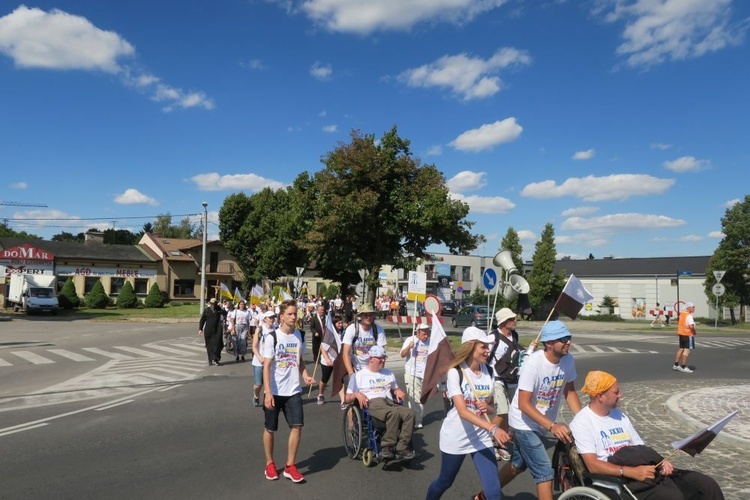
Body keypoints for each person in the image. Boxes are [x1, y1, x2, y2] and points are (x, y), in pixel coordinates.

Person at [570, 370, 724, 499]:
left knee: (706, 484)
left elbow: (639, 447)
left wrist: (662, 462)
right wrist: (631, 472)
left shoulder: (618, 415)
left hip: (645, 468)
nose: (621, 395)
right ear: (600, 396)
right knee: (675, 496)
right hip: (620, 479)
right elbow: (593, 465)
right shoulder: (583, 422)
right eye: (616, 392)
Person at [498, 320, 581, 500]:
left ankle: (487, 493)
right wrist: (553, 426)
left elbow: (570, 391)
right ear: (549, 343)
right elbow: (523, 404)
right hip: (524, 422)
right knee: (544, 471)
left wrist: (584, 420)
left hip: (541, 423)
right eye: (563, 339)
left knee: (518, 465)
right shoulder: (534, 364)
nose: (569, 342)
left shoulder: (568, 360)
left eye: (569, 337)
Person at [426, 327, 511, 500]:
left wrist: (489, 409)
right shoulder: (455, 373)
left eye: (489, 347)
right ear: (471, 347)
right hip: (456, 436)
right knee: (445, 481)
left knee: (494, 491)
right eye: (483, 347)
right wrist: (493, 428)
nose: (488, 351)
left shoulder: (489, 371)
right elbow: (463, 411)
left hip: (480, 436)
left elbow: (491, 405)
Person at [262, 300, 315, 483]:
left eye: (295, 314)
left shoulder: (300, 335)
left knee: (297, 426)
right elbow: (267, 366)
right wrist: (267, 392)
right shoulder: (272, 337)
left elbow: (299, 360)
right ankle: (270, 464)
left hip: (293, 390)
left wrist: (305, 375)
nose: (294, 317)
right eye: (291, 314)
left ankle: (290, 465)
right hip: (274, 391)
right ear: (281, 316)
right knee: (270, 429)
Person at [346, 345, 416, 460]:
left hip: (389, 401)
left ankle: (402, 447)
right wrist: (356, 394)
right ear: (371, 359)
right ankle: (387, 447)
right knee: (393, 413)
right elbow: (347, 398)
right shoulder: (358, 376)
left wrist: (398, 391)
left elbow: (395, 388)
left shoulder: (388, 373)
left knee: (410, 413)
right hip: (372, 402)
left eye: (384, 358)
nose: (383, 360)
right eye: (380, 358)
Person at [488, 308, 524, 461]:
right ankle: (490, 440)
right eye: (512, 319)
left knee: (510, 413)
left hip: (512, 379)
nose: (515, 321)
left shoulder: (514, 335)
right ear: (503, 322)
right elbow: (484, 358)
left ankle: (500, 443)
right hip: (497, 380)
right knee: (502, 412)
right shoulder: (492, 337)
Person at [341, 303, 387, 376]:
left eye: (371, 314)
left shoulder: (379, 330)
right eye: (366, 314)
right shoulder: (352, 329)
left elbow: (382, 354)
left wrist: (380, 371)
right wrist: (351, 373)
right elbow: (345, 353)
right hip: (356, 368)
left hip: (373, 368)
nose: (369, 317)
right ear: (361, 316)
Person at [400, 322, 430, 429]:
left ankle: (411, 417)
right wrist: (409, 347)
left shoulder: (429, 342)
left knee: (418, 398)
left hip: (424, 374)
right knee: (415, 398)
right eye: (424, 333)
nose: (426, 335)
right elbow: (402, 354)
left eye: (428, 332)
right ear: (418, 332)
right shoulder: (410, 340)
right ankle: (418, 420)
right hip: (412, 372)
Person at [317, 314, 346, 407]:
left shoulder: (343, 333)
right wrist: (327, 359)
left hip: (338, 361)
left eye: (341, 323)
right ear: (333, 324)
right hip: (327, 361)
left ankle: (343, 401)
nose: (340, 325)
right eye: (338, 323)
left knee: (340, 380)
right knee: (325, 379)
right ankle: (321, 394)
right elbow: (323, 348)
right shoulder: (328, 334)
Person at [252, 310, 276, 407]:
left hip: (271, 361)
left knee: (269, 383)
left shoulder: (276, 330)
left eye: (273, 317)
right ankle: (256, 395)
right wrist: (259, 357)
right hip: (259, 361)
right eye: (270, 318)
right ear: (265, 319)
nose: (272, 319)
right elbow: (254, 346)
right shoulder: (260, 329)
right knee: (258, 384)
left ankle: (269, 401)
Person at [198, 298, 226, 366]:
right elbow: (202, 320)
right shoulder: (207, 310)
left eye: (214, 304)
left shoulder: (218, 309)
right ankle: (210, 359)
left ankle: (216, 359)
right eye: (212, 303)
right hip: (209, 330)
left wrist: (220, 307)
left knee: (218, 344)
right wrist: (200, 329)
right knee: (209, 345)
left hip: (217, 329)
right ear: (210, 303)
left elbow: (225, 313)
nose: (213, 305)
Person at [673, 302, 696, 373]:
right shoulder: (689, 316)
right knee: (686, 350)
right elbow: (691, 326)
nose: (694, 308)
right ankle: (683, 366)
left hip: (681, 334)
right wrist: (694, 331)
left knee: (681, 349)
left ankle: (676, 365)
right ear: (688, 308)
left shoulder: (682, 314)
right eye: (693, 307)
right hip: (688, 335)